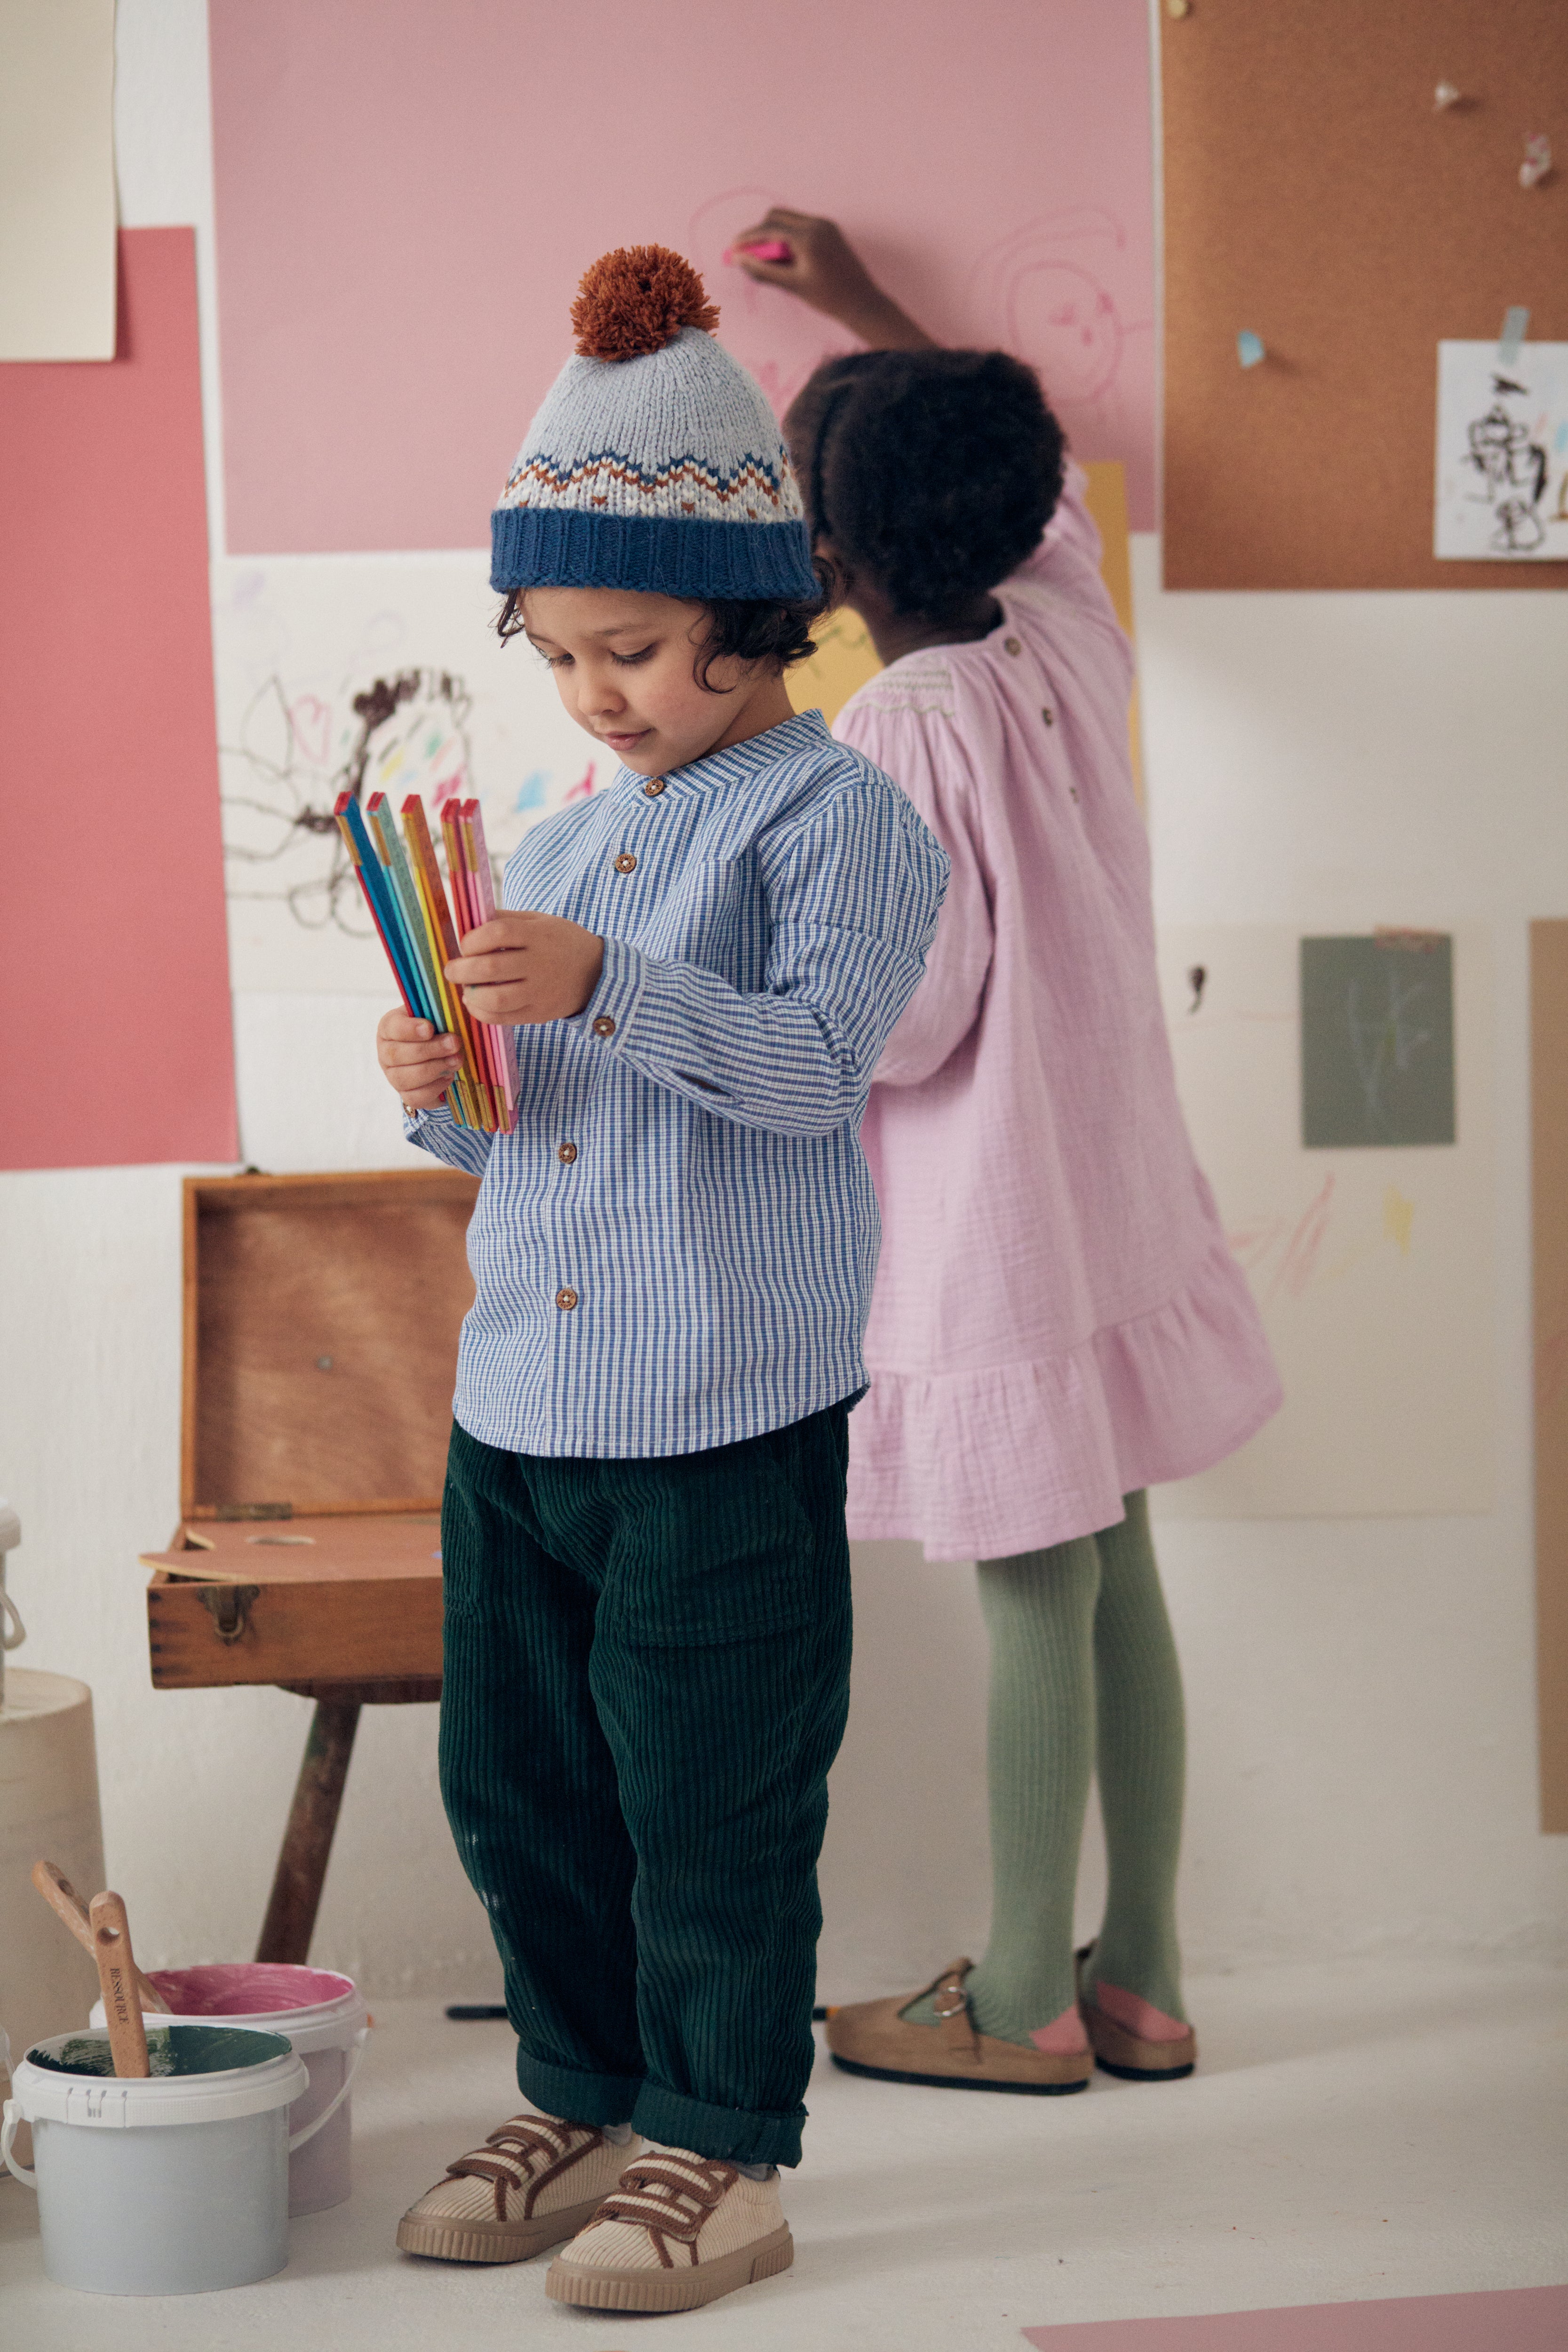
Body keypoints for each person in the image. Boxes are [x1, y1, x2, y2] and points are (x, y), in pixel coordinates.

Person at [378, 246, 947, 2310]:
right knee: (515, 1779)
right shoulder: (551, 835)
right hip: (518, 1402)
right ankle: (585, 2087)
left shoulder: (845, 822)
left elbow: (813, 1078)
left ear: (754, 613)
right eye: (559, 655)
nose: (595, 694)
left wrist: (618, 982)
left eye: (629, 645)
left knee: (710, 1790)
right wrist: (447, 1083)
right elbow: (529, 1131)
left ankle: (723, 2141)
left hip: (718, 1410)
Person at [733, 210, 1281, 2094]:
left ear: (833, 555)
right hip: (1115, 1190)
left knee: (1032, 1575)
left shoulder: (892, 731)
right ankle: (1144, 1969)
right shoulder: (1066, 632)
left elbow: (911, 1016)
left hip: (998, 1222)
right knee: (1121, 1561)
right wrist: (871, 319)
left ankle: (1026, 1992)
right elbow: (1022, 472)